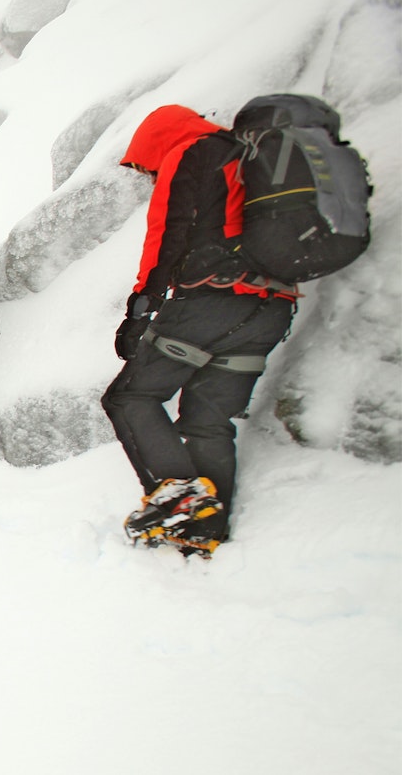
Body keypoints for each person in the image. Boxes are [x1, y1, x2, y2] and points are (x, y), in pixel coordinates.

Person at [102, 104, 298, 557]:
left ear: (156, 142)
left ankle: (182, 495)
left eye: (147, 167)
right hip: (271, 311)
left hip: (212, 301)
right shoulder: (248, 160)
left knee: (130, 397)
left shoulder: (190, 151)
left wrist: (141, 307)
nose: (149, 176)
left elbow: (167, 231)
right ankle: (206, 529)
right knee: (208, 421)